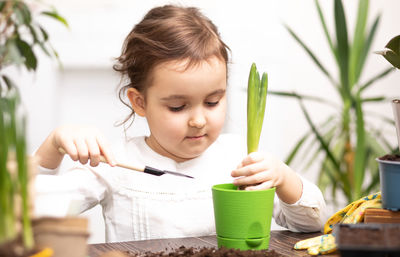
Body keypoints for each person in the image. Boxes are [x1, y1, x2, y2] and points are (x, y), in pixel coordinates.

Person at [34, 5, 326, 243]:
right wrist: (52, 145)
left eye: (212, 102)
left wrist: (284, 177)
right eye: (177, 106)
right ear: (140, 102)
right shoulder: (114, 164)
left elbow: (312, 223)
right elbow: (26, 210)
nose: (199, 120)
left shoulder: (239, 158)